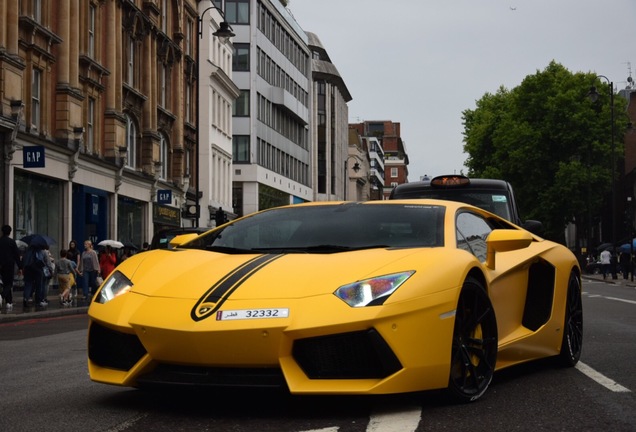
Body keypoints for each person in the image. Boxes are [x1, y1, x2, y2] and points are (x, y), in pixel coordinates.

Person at [0, 225, 22, 310]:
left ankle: (9, 301)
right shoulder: (11, 242)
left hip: (1, 265)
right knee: (9, 283)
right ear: (9, 232)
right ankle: (2, 296)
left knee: (5, 283)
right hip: (9, 265)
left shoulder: (0, 241)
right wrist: (20, 267)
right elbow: (16, 255)